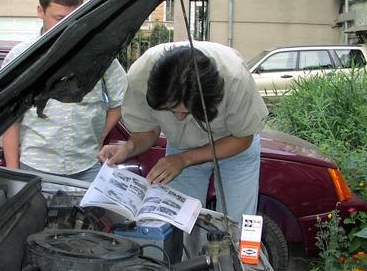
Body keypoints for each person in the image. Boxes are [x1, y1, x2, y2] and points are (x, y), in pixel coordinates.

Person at [99, 41, 268, 224]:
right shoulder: (140, 76)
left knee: (235, 224)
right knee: (178, 221)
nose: (179, 119)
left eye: (187, 112)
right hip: (181, 149)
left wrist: (184, 159)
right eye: (170, 110)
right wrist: (128, 148)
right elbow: (147, 131)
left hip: (233, 144)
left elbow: (243, 138)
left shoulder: (234, 76)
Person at [2, 0, 127, 181]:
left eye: (74, 17)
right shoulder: (21, 57)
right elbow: (9, 119)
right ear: (40, 11)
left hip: (87, 165)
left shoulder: (99, 54)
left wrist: (101, 134)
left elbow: (122, 99)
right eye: (59, 18)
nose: (67, 26)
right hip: (35, 167)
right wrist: (14, 176)